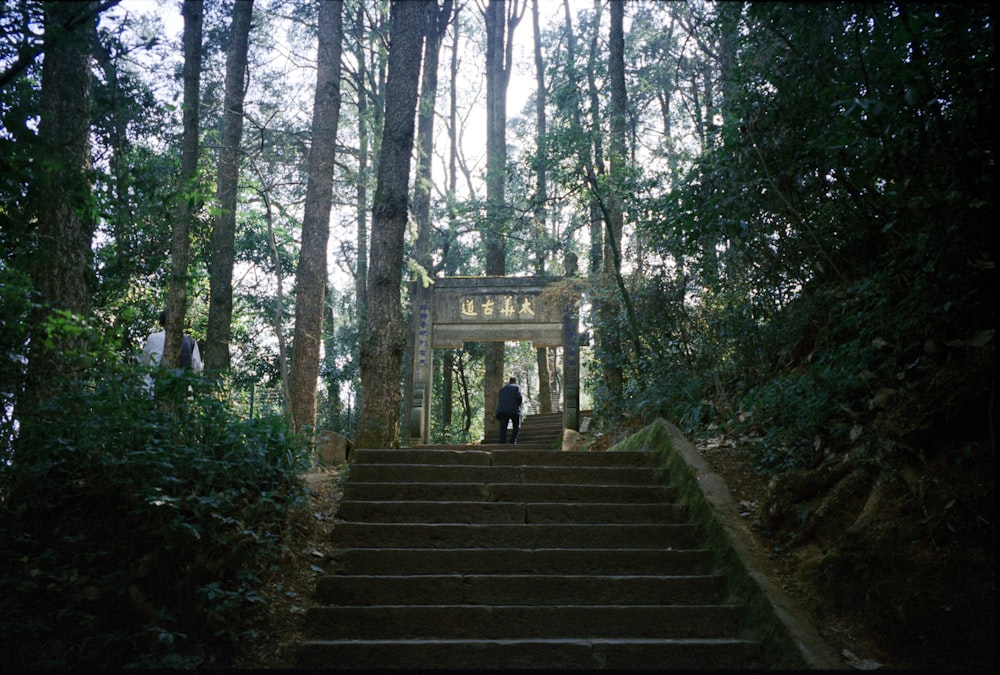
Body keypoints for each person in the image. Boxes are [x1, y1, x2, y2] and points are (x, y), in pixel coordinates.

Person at [141, 310, 203, 377]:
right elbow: (196, 367)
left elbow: (144, 362)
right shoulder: (190, 341)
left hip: (152, 383)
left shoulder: (152, 338)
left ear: (161, 324)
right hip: (178, 383)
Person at [495, 376, 523, 444]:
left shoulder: (502, 389)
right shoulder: (516, 387)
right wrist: (519, 404)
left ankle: (502, 442)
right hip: (513, 410)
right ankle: (512, 441)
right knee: (516, 426)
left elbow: (500, 399)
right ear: (515, 381)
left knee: (503, 427)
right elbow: (519, 397)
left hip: (502, 411)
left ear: (509, 381)